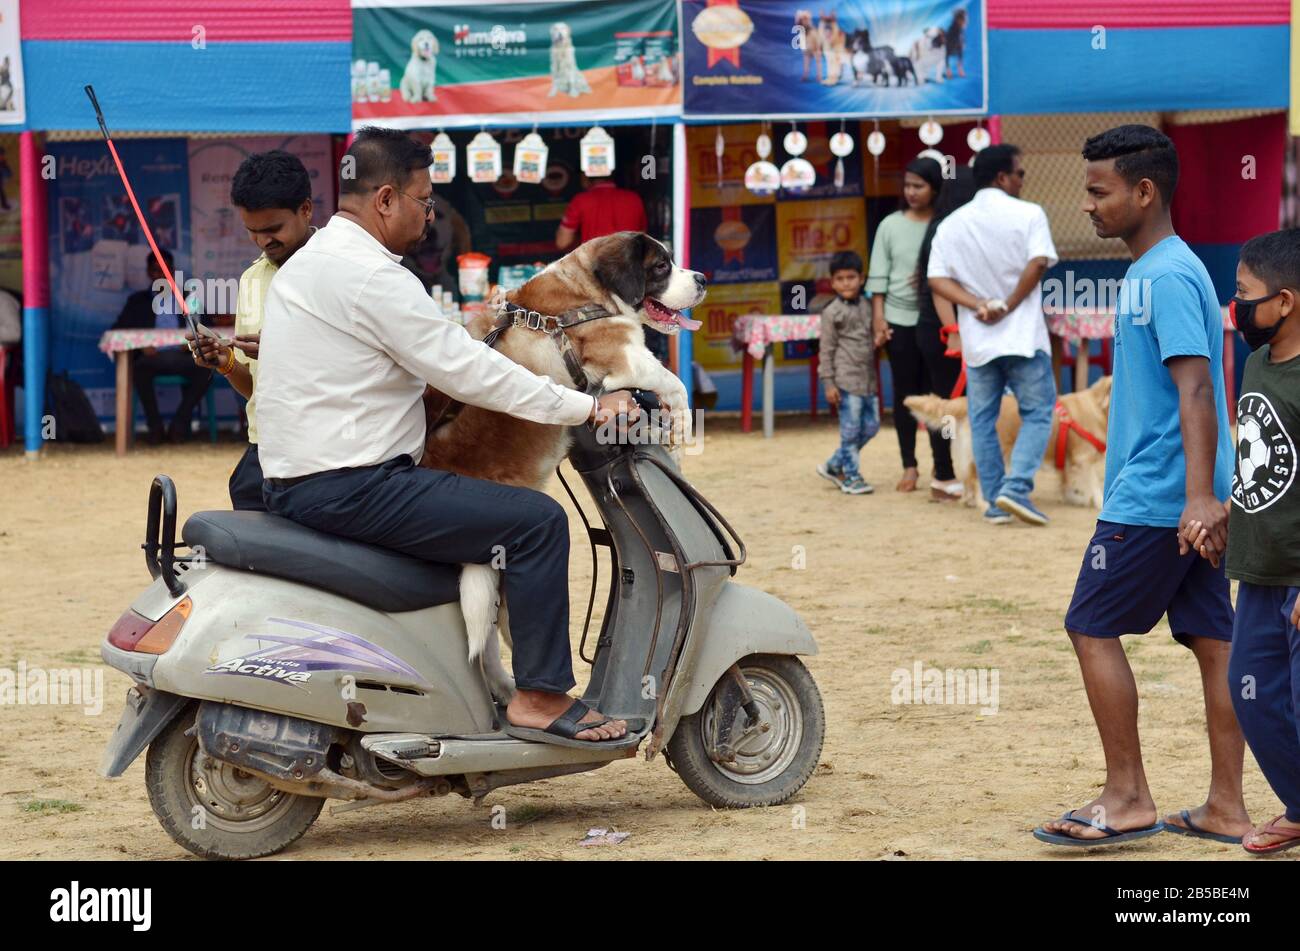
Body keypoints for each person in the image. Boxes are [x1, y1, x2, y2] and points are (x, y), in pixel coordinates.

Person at [256, 127, 650, 745]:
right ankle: (541, 698)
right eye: (424, 199)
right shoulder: (372, 277)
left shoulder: (315, 263)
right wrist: (586, 406)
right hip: (352, 484)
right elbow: (470, 372)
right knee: (534, 522)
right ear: (386, 199)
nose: (429, 214)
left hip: (303, 475)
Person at [1035, 124, 1245, 847]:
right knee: (1214, 641)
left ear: (1145, 190)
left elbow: (1197, 390)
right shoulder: (1155, 272)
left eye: (1099, 191)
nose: (1088, 206)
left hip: (1161, 496)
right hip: (1186, 492)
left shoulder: (1163, 276)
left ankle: (1125, 797)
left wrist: (1195, 498)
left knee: (1090, 625)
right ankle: (1226, 807)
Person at [1184, 229, 1300, 854]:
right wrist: (1231, 509)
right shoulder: (1255, 363)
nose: (1236, 307)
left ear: (1284, 302)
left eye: (1244, 294)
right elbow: (1262, 455)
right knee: (1253, 694)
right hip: (1257, 571)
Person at [928, 143, 1059, 526]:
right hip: (1023, 336)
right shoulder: (1030, 213)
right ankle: (1016, 489)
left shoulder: (952, 223)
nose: (1022, 180)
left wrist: (976, 304)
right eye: (1020, 173)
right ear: (1003, 176)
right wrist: (1009, 303)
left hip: (980, 341)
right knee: (1037, 413)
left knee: (981, 418)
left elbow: (936, 279)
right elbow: (1038, 262)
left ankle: (995, 503)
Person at [190, 150, 315, 510]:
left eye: (273, 230)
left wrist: (286, 352)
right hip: (264, 450)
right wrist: (226, 361)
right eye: (253, 232)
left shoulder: (339, 271)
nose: (263, 241)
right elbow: (256, 391)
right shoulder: (251, 279)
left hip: (323, 456)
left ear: (305, 209)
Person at [868, 156, 952, 494]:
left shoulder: (947, 225)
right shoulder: (890, 224)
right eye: (908, 186)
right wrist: (879, 317)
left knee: (939, 396)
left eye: (919, 186)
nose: (912, 192)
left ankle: (943, 468)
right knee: (905, 396)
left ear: (934, 188)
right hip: (899, 322)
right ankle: (909, 466)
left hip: (935, 322)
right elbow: (878, 278)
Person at [915, 166, 978, 501]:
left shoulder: (952, 225)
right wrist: (952, 330)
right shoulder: (946, 228)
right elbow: (939, 287)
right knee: (947, 405)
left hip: (949, 327)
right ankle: (943, 475)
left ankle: (960, 472)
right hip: (941, 329)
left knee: (957, 405)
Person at [111, 249, 212, 444]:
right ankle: (155, 427)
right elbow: (118, 331)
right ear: (149, 273)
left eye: (165, 270)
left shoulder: (188, 297)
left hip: (185, 356)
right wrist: (140, 347)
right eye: (156, 270)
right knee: (138, 370)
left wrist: (192, 342)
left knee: (207, 369)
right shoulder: (137, 301)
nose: (161, 275)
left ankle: (179, 425)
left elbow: (206, 327)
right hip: (152, 357)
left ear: (173, 271)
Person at [816, 250, 878, 495]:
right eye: (840, 279)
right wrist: (829, 384)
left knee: (871, 427)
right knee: (850, 432)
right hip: (845, 381)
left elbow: (872, 336)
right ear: (832, 283)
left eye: (851, 277)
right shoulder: (832, 313)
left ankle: (833, 464)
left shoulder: (868, 306)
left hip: (867, 381)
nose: (846, 283)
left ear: (861, 278)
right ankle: (851, 476)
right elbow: (826, 350)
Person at [555, 172, 647, 251]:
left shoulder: (581, 200)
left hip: (596, 267)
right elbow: (642, 237)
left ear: (584, 175)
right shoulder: (634, 198)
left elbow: (562, 242)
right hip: (630, 267)